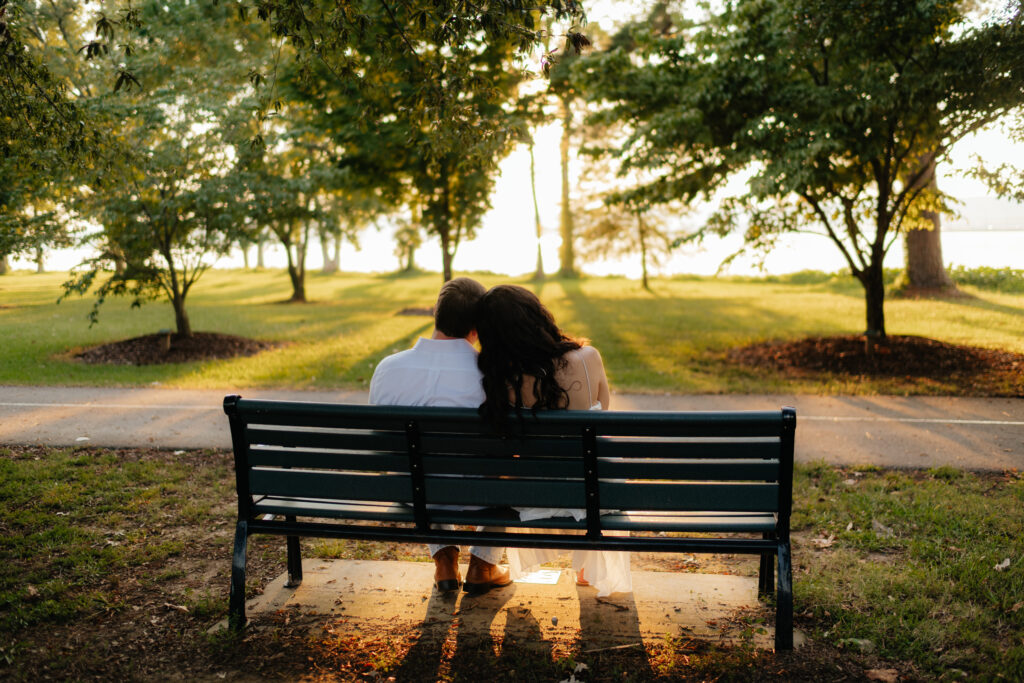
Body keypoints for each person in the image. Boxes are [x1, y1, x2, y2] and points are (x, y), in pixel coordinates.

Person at [475, 284, 631, 597]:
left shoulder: (501, 378)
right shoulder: (588, 358)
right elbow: (602, 418)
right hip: (591, 492)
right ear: (538, 316)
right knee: (593, 466)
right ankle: (587, 570)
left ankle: (482, 564)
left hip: (533, 495)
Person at [368, 277, 512, 596]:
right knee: (504, 469)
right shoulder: (492, 376)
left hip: (411, 490)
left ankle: (445, 561)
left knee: (421, 467)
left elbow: (382, 439)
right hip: (477, 496)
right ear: (477, 327)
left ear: (436, 313)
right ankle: (483, 564)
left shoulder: (387, 368)